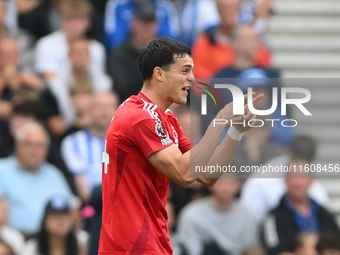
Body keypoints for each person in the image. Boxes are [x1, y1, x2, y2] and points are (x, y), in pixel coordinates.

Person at [99, 37, 263, 254]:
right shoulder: (140, 116)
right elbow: (185, 174)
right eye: (185, 71)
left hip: (152, 242)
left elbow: (207, 175)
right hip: (132, 247)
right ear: (159, 74)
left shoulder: (164, 119)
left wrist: (235, 132)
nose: (192, 79)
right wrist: (219, 121)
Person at [0, 123, 74, 236]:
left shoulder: (54, 174)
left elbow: (71, 207)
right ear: (17, 146)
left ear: (46, 151)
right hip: (15, 241)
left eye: (40, 146)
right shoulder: (2, 170)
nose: (34, 151)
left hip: (51, 240)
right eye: (29, 144)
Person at [241, 135, 329, 222]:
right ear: (288, 152)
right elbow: (248, 216)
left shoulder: (316, 187)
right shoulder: (263, 179)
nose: (298, 182)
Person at [260, 163, 340, 255]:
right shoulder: (273, 217)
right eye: (294, 177)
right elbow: (275, 250)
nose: (298, 182)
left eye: (303, 177)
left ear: (311, 180)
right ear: (286, 181)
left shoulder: (325, 215)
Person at [41, 38, 111, 134]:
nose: (80, 57)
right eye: (76, 53)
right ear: (68, 55)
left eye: (83, 53)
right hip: (67, 132)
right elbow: (55, 124)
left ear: (89, 55)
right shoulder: (54, 85)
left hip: (100, 131)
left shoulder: (104, 84)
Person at [177, 176, 260, 255]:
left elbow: (250, 247)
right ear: (210, 184)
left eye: (231, 182)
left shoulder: (248, 215)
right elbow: (189, 248)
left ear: (239, 184)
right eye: (220, 182)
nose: (225, 187)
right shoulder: (191, 214)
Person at [61, 92, 118, 202]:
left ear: (117, 111)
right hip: (94, 205)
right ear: (90, 110)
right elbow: (84, 192)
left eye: (109, 106)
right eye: (99, 106)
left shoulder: (128, 142)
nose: (104, 110)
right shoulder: (72, 142)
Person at [191, 0, 271, 78]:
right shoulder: (206, 42)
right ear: (218, 10)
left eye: (232, 8)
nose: (228, 13)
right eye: (224, 8)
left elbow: (264, 67)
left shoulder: (250, 37)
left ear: (239, 10)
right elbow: (200, 77)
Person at [34, 0, 106, 79]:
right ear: (61, 21)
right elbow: (51, 79)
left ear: (88, 22)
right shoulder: (46, 44)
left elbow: (98, 79)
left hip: (87, 89)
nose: (74, 25)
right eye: (70, 20)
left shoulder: (97, 48)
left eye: (79, 20)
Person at [107, 1, 158, 102]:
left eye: (150, 24)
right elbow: (122, 88)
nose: (146, 28)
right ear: (132, 24)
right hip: (130, 105)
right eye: (143, 23)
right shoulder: (119, 54)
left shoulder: (168, 52)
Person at [104, 0, 179, 51]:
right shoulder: (117, 5)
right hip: (128, 54)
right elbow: (113, 41)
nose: (146, 28)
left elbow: (172, 43)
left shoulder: (165, 7)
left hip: (158, 54)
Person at [24, 196, 89, 255]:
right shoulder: (32, 246)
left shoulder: (83, 241)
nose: (61, 221)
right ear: (45, 221)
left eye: (64, 216)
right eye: (55, 216)